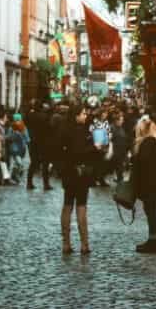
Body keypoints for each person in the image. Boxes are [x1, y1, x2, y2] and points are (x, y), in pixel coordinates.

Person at [59, 105, 97, 255]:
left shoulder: (64, 129)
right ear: (75, 115)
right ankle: (84, 244)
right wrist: (95, 148)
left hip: (68, 171)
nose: (85, 116)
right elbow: (81, 151)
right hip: (81, 172)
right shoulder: (82, 131)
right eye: (82, 114)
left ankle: (66, 243)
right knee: (81, 206)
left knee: (67, 205)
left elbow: (59, 150)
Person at [131, 113, 156, 254]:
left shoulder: (148, 142)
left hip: (149, 183)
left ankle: (152, 242)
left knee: (151, 212)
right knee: (151, 211)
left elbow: (142, 164)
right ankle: (152, 240)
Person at [26, 101, 53, 190]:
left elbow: (26, 123)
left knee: (33, 162)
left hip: (33, 141)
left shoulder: (30, 115)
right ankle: (46, 184)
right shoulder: (44, 116)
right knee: (45, 163)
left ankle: (29, 182)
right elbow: (49, 128)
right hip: (44, 142)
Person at [90, 107, 113, 187]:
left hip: (105, 144)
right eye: (104, 113)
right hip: (96, 144)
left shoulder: (106, 122)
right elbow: (91, 131)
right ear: (100, 114)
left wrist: (109, 135)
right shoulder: (95, 122)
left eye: (106, 113)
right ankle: (93, 179)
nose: (105, 115)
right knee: (96, 162)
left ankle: (101, 178)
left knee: (103, 163)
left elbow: (109, 131)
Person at [6, 114, 30, 186]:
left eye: (18, 120)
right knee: (19, 163)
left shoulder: (24, 128)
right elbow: (8, 138)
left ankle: (14, 176)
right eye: (16, 120)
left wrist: (26, 141)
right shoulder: (12, 129)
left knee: (18, 164)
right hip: (14, 148)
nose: (17, 121)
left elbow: (27, 138)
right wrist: (15, 135)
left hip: (22, 148)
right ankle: (15, 176)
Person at [111, 111, 130, 184]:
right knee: (118, 165)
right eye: (121, 120)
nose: (123, 121)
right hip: (116, 150)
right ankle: (119, 178)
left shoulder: (121, 128)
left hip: (122, 150)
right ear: (117, 121)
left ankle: (120, 178)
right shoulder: (113, 128)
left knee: (120, 166)